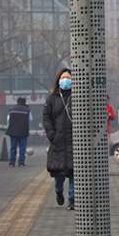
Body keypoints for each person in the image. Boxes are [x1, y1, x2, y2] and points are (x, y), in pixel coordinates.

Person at [44, 68, 74, 210]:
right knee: (59, 175)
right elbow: (46, 118)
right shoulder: (52, 98)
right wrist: (52, 135)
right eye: (63, 77)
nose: (65, 80)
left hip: (74, 142)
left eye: (68, 77)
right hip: (58, 142)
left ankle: (72, 200)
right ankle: (59, 192)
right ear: (58, 80)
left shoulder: (77, 96)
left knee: (74, 173)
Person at [6, 97, 31, 167]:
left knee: (13, 147)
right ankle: (21, 162)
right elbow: (30, 119)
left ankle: (12, 162)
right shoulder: (27, 110)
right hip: (23, 131)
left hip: (12, 131)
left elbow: (8, 119)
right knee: (22, 147)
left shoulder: (11, 109)